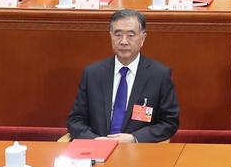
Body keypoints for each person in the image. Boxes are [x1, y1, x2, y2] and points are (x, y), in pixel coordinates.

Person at [66, 9, 179, 143]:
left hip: (139, 153)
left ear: (142, 38)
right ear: (110, 36)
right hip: (97, 150)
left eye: (131, 35)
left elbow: (169, 122)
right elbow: (75, 120)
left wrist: (134, 139)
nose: (123, 41)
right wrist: (95, 140)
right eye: (118, 34)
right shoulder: (93, 73)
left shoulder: (159, 75)